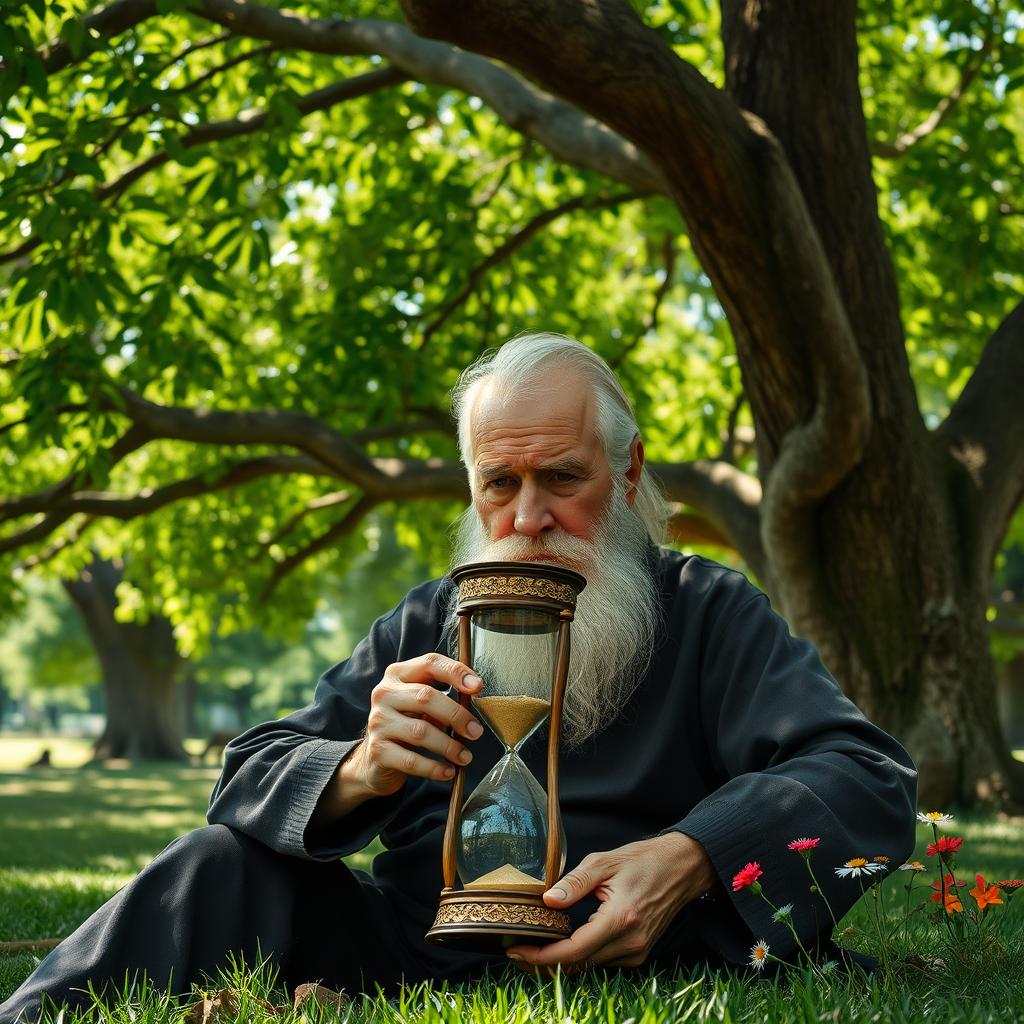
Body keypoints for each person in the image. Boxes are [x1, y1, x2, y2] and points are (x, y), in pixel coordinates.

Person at [1, 334, 917, 1022]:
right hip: (415, 949)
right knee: (215, 864)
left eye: (561, 477)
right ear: (471, 485)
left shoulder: (708, 611)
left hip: (639, 952)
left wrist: (693, 858)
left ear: (630, 472)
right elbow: (246, 774)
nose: (527, 518)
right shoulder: (431, 617)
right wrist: (360, 767)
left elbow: (865, 774)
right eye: (498, 483)